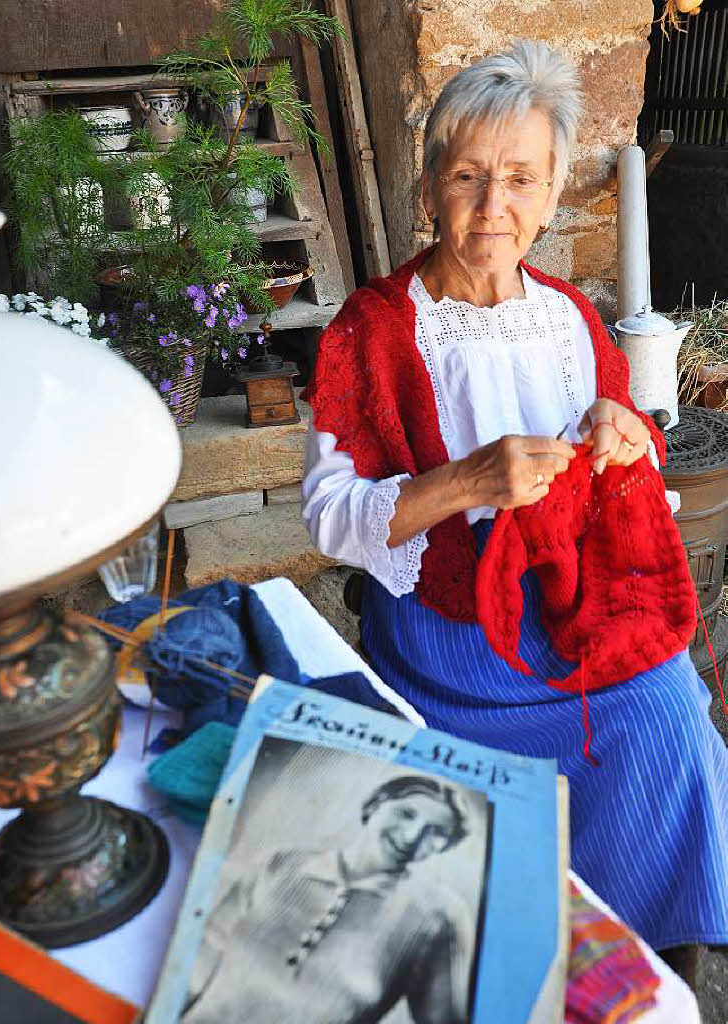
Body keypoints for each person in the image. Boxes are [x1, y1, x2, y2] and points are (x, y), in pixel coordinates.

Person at [301, 39, 728, 962]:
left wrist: (627, 439)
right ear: (429, 190)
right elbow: (331, 517)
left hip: (570, 600)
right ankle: (525, 949)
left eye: (521, 181)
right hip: (448, 627)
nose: (494, 207)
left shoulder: (571, 316)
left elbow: (635, 469)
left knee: (666, 713)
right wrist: (463, 484)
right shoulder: (372, 329)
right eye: (467, 177)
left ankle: (643, 960)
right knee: (617, 728)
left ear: (550, 195)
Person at [181, 776, 479, 1024]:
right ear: (376, 805)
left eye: (437, 832)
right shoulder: (280, 863)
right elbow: (193, 969)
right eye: (406, 813)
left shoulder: (437, 918)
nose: (411, 836)